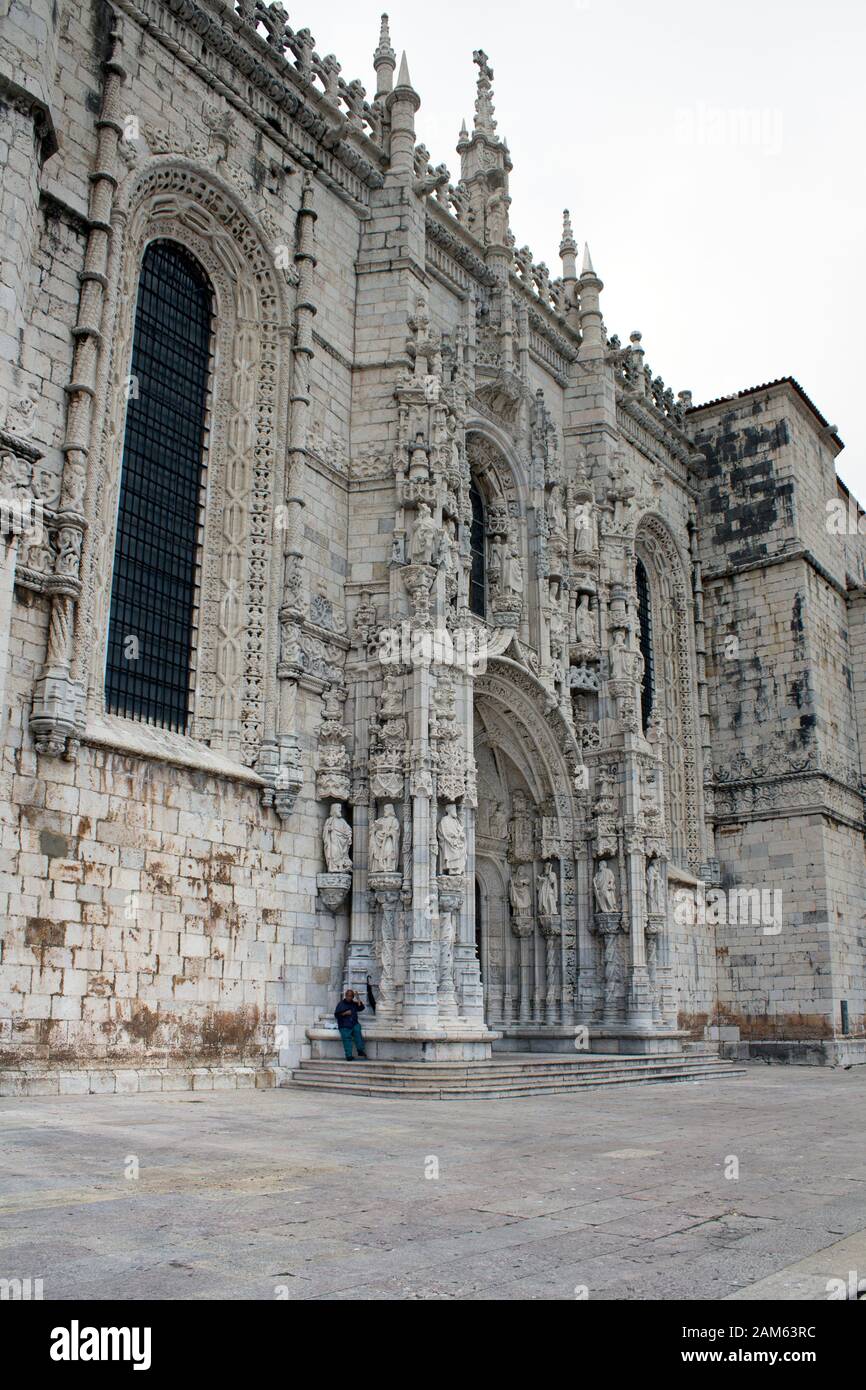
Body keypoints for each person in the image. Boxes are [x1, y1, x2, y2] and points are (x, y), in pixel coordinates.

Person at [334, 989, 367, 1060]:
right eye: (348, 996)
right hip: (344, 1025)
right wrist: (345, 1013)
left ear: (352, 997)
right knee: (347, 1039)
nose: (349, 997)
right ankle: (348, 1055)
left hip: (354, 1024)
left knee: (358, 1032)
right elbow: (336, 1015)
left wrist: (358, 998)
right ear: (345, 996)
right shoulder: (341, 1004)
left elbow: (361, 1008)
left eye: (351, 996)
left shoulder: (354, 1003)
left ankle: (360, 1050)